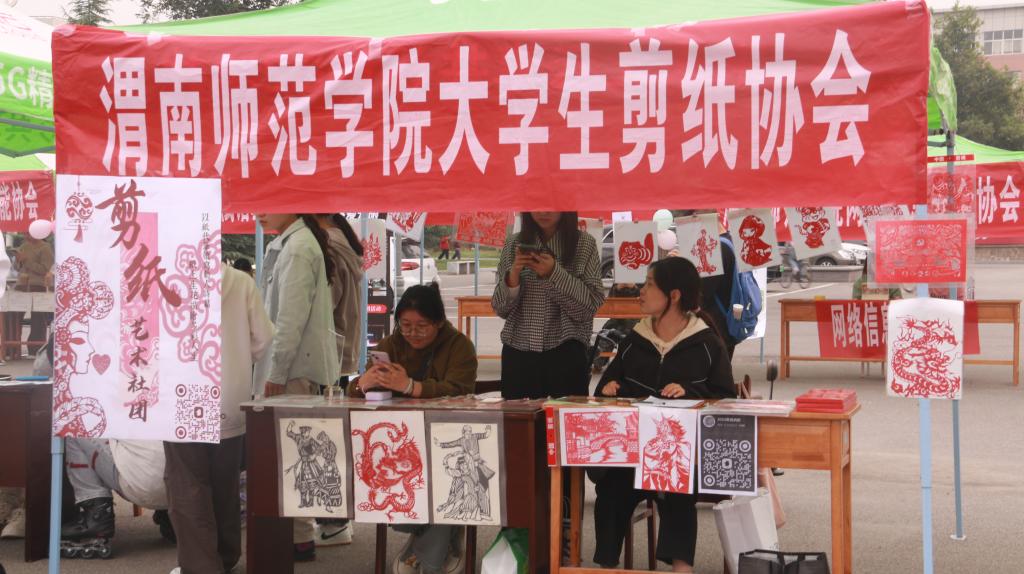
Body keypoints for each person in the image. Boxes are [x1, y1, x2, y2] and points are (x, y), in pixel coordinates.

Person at [594, 257, 736, 572]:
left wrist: (690, 392)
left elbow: (726, 398)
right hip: (631, 453)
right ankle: (606, 565)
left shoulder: (707, 343)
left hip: (682, 455)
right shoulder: (634, 340)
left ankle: (682, 568)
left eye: (649, 284)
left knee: (675, 484)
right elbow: (604, 387)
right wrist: (610, 388)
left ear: (673, 295)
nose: (641, 291)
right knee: (610, 489)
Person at [347, 284, 477, 574]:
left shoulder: (459, 346)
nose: (412, 333)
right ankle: (437, 537)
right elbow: (356, 392)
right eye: (405, 325)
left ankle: (427, 552)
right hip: (401, 442)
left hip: (445, 439)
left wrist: (411, 387)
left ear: (439, 322)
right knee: (381, 476)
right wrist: (362, 384)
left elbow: (461, 390)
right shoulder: (390, 346)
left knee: (446, 477)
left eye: (422, 326)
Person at [164, 265, 274, 574]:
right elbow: (264, 336)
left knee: (188, 483)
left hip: (183, 390)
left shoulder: (167, 277)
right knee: (225, 480)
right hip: (230, 394)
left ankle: (201, 566)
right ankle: (226, 555)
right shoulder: (240, 281)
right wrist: (239, 356)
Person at [253, 213, 339, 562]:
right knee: (292, 453)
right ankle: (298, 535)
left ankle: (300, 536)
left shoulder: (299, 247)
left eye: (268, 204)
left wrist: (275, 373)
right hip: (291, 368)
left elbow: (289, 320)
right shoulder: (293, 243)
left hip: (292, 370)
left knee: (292, 455)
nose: (259, 212)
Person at [491, 211, 604, 400]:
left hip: (566, 351)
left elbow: (589, 307)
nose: (543, 212)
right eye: (537, 205)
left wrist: (554, 273)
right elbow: (500, 308)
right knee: (518, 418)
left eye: (551, 205)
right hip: (518, 352)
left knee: (563, 417)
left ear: (565, 207)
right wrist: (514, 275)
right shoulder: (513, 244)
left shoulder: (584, 243)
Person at [313, 213, 364, 546]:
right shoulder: (344, 244)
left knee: (322, 442)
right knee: (330, 438)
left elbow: (321, 307)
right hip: (340, 357)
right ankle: (336, 519)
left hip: (323, 357)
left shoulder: (327, 248)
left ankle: (333, 521)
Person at [60, 439, 175, 558]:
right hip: (179, 489)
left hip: (139, 484)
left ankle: (97, 514)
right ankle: (171, 518)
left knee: (76, 431)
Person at [6, 235, 54, 358]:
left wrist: (27, 261)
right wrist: (18, 261)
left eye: (28, 233)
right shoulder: (24, 246)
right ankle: (11, 349)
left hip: (38, 285)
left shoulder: (45, 248)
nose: (25, 235)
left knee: (38, 317)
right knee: (12, 314)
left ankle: (34, 349)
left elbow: (45, 269)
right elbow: (17, 268)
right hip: (22, 284)